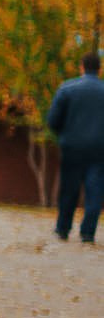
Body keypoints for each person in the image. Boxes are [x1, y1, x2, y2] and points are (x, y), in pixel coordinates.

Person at [48, 49, 104, 244]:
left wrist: (64, 135)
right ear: (99, 69)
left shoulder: (67, 89)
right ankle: (87, 233)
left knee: (69, 189)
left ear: (82, 67)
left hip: (72, 147)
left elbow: (53, 120)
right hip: (99, 149)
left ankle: (63, 229)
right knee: (95, 191)